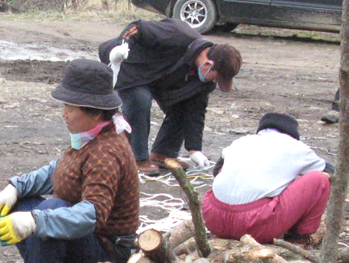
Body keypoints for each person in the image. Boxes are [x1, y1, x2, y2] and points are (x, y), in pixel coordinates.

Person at [0, 59, 140, 263]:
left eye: (70, 107)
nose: (64, 113)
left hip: (106, 252)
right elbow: (61, 170)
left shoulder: (106, 151)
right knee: (24, 203)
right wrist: (16, 186)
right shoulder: (92, 137)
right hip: (88, 240)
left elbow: (94, 214)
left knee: (48, 212)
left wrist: (36, 221)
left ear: (94, 111)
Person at [98, 18, 242, 175]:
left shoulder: (204, 80)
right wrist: (122, 47)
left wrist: (194, 149)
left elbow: (196, 111)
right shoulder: (178, 35)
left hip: (159, 76)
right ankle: (136, 157)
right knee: (140, 100)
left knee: (185, 103)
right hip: (129, 63)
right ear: (208, 64)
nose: (214, 82)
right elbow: (137, 27)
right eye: (216, 77)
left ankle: (163, 153)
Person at [202, 112, 331, 244]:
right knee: (319, 179)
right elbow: (329, 171)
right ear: (293, 134)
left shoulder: (241, 141)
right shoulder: (295, 146)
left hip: (214, 219)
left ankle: (226, 231)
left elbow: (216, 171)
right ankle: (298, 237)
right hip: (255, 226)